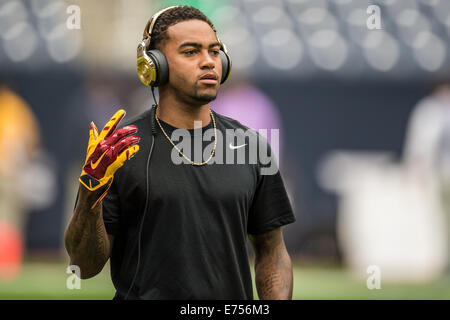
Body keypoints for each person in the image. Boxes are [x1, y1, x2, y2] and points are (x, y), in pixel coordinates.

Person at [64, 6, 295, 300]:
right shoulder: (122, 148)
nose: (208, 62)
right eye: (191, 52)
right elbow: (83, 267)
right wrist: (90, 193)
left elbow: (272, 251)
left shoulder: (250, 146)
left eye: (214, 51)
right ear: (153, 65)